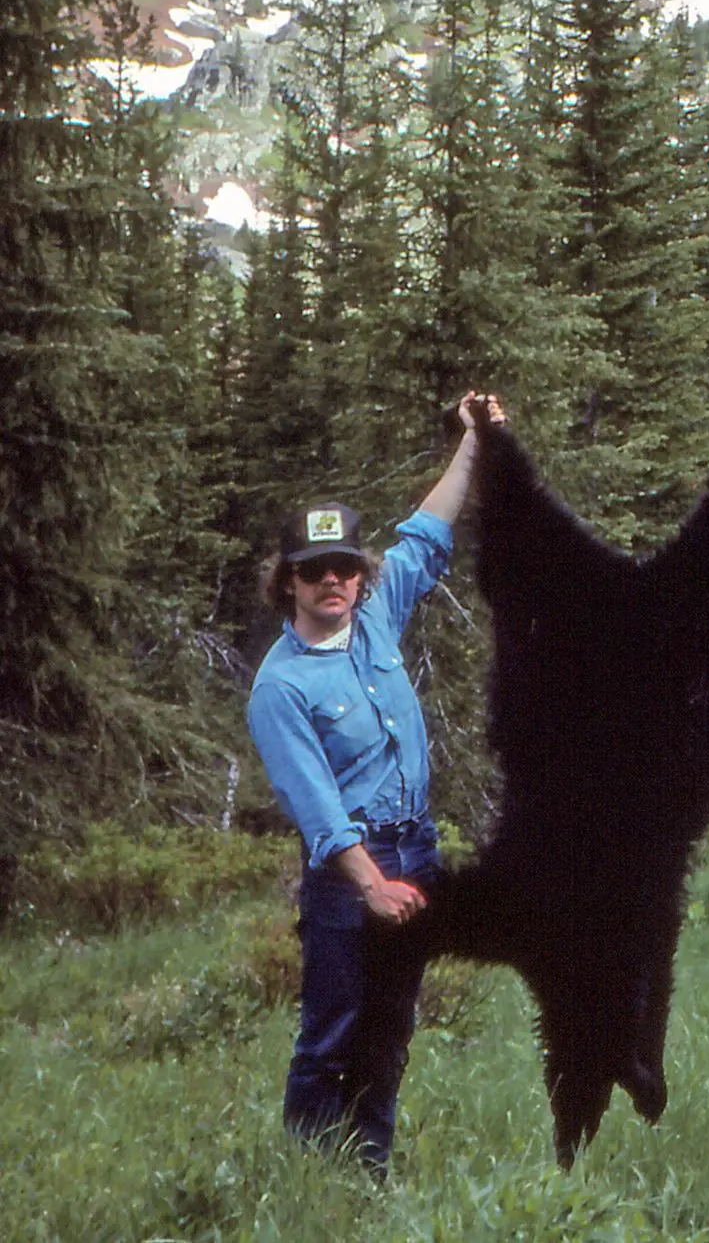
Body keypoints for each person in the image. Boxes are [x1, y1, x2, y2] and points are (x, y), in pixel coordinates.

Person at [246, 391, 502, 1178]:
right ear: (287, 582)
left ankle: (368, 1178)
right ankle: (304, 1188)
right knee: (331, 1032)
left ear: (361, 576)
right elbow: (319, 809)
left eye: (345, 569)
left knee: (391, 1027)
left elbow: (427, 530)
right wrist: (372, 886)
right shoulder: (279, 687)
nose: (333, 581)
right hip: (345, 872)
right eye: (314, 571)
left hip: (412, 845)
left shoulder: (378, 616)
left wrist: (474, 440)